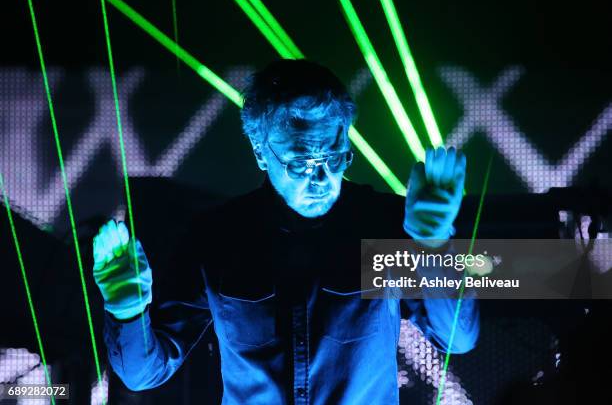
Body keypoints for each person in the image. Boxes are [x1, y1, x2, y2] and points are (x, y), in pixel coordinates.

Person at [92, 59, 479, 404]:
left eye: (336, 155)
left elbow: (458, 339)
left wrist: (436, 244)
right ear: (260, 152)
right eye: (301, 162)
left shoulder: (384, 224)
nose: (322, 177)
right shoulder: (216, 237)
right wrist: (127, 310)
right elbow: (144, 375)